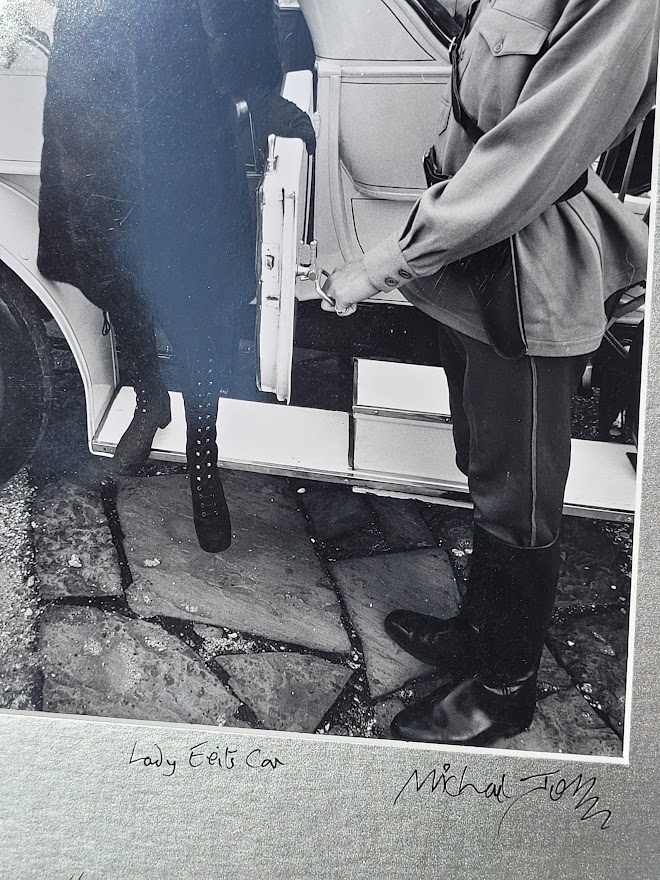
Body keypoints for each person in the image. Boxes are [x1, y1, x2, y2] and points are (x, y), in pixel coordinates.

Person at [321, 0, 658, 746]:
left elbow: (536, 152)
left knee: (521, 495)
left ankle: (507, 686)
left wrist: (380, 265)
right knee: (484, 462)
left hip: (531, 278)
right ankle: (480, 631)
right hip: (470, 267)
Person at [37, 0, 315, 553]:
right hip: (94, 106)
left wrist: (259, 91)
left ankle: (202, 458)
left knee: (196, 297)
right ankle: (149, 401)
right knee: (116, 269)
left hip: (182, 120)